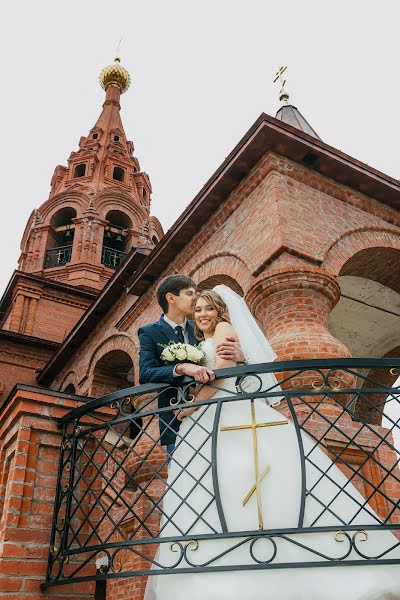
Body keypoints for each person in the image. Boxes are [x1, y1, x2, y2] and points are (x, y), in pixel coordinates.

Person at [144, 286, 400, 600]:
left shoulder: (224, 328)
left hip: (226, 411)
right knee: (216, 485)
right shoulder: (199, 341)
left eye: (208, 308)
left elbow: (223, 373)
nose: (203, 315)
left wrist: (192, 405)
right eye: (198, 310)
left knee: (252, 477)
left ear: (221, 311)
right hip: (210, 419)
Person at [138, 275, 245, 460]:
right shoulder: (149, 332)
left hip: (211, 407)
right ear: (171, 298)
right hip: (175, 416)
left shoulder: (202, 325)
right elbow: (145, 373)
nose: (195, 298)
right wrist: (180, 368)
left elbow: (221, 359)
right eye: (189, 293)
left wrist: (241, 357)